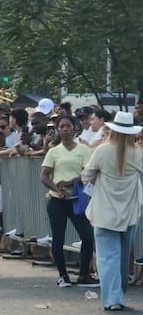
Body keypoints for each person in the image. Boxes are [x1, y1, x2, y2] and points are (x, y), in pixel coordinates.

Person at [81, 111, 143, 311]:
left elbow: (86, 175)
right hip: (130, 211)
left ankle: (113, 298)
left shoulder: (102, 151)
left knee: (108, 256)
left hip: (105, 210)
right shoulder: (138, 153)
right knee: (124, 255)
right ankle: (120, 293)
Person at [40, 114, 98, 288]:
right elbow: (44, 175)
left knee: (87, 236)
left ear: (74, 128)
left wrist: (71, 182)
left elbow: (87, 174)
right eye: (61, 126)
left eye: (68, 126)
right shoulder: (54, 151)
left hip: (76, 200)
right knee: (58, 238)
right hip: (57, 200)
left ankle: (83, 275)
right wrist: (57, 188)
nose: (65, 129)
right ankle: (63, 276)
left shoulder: (83, 150)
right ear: (58, 130)